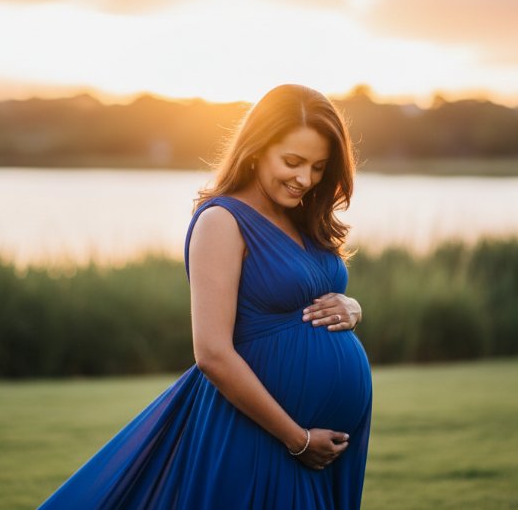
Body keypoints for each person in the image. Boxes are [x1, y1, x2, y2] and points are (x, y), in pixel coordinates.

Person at [37, 84, 372, 509]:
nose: (305, 179)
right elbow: (212, 352)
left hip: (318, 444)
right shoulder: (222, 221)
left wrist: (353, 307)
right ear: (256, 149)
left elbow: (311, 301)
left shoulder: (302, 217)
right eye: (293, 161)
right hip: (262, 435)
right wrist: (297, 438)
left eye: (319, 167)